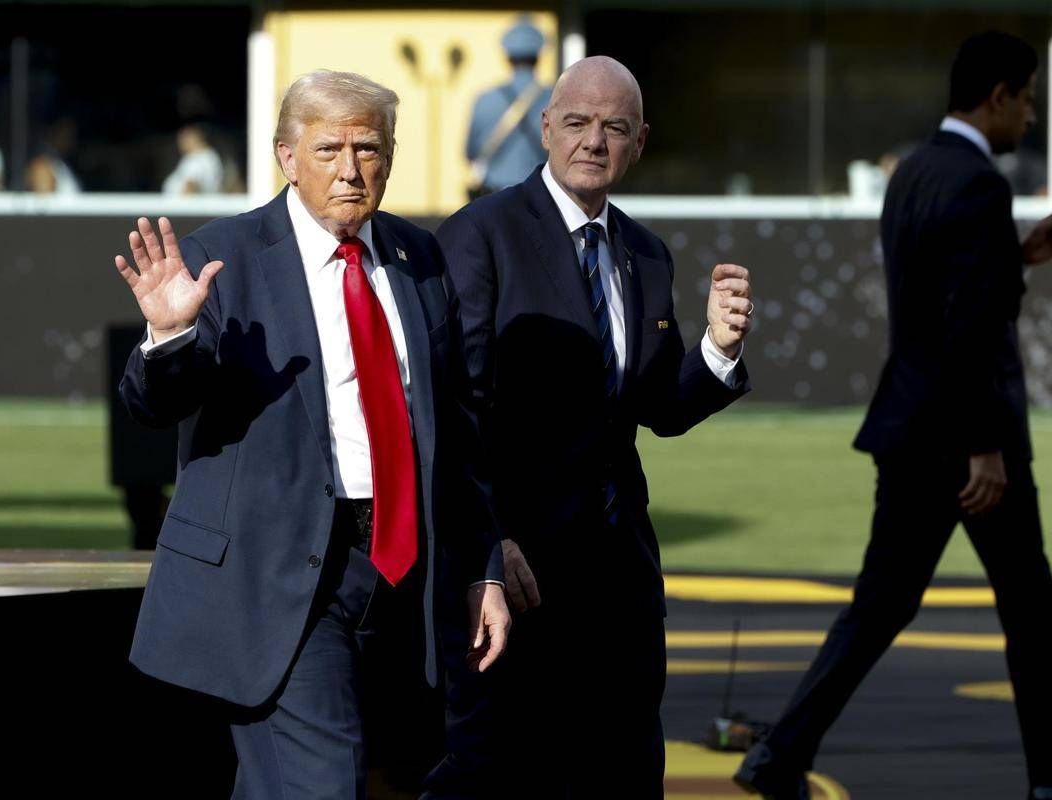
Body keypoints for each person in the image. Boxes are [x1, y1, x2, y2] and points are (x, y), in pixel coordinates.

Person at [112, 70, 509, 799]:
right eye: (329, 149)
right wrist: (169, 339)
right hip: (280, 574)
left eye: (369, 149)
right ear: (287, 157)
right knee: (325, 783)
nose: (350, 170)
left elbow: (455, 429)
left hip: (397, 575)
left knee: (359, 779)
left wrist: (483, 565)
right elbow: (152, 405)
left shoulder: (418, 258)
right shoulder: (222, 257)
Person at [734, 31, 1052, 800]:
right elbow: (969, 324)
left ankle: (779, 756)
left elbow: (942, 290)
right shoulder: (981, 184)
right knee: (1033, 615)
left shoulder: (912, 170)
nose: (1033, 115)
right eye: (1028, 98)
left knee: (877, 610)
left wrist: (1017, 256)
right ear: (999, 97)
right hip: (970, 445)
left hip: (908, 429)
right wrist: (984, 446)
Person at [424, 56, 753, 798]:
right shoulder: (481, 234)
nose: (593, 141)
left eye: (614, 127)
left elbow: (660, 407)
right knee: (497, 776)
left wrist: (719, 349)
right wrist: (488, 543)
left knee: (626, 774)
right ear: (545, 129)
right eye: (576, 122)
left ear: (640, 141)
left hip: (620, 584)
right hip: (517, 578)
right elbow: (456, 407)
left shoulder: (647, 254)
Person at [464, 18, 551, 198]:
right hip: (538, 196)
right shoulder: (554, 98)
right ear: (538, 57)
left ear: (508, 57)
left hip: (493, 197)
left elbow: (470, 152)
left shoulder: (485, 99)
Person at [161, 123, 223, 195]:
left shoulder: (198, 159)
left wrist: (182, 200)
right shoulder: (208, 156)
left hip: (184, 202)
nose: (179, 143)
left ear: (192, 138)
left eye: (182, 139)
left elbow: (191, 186)